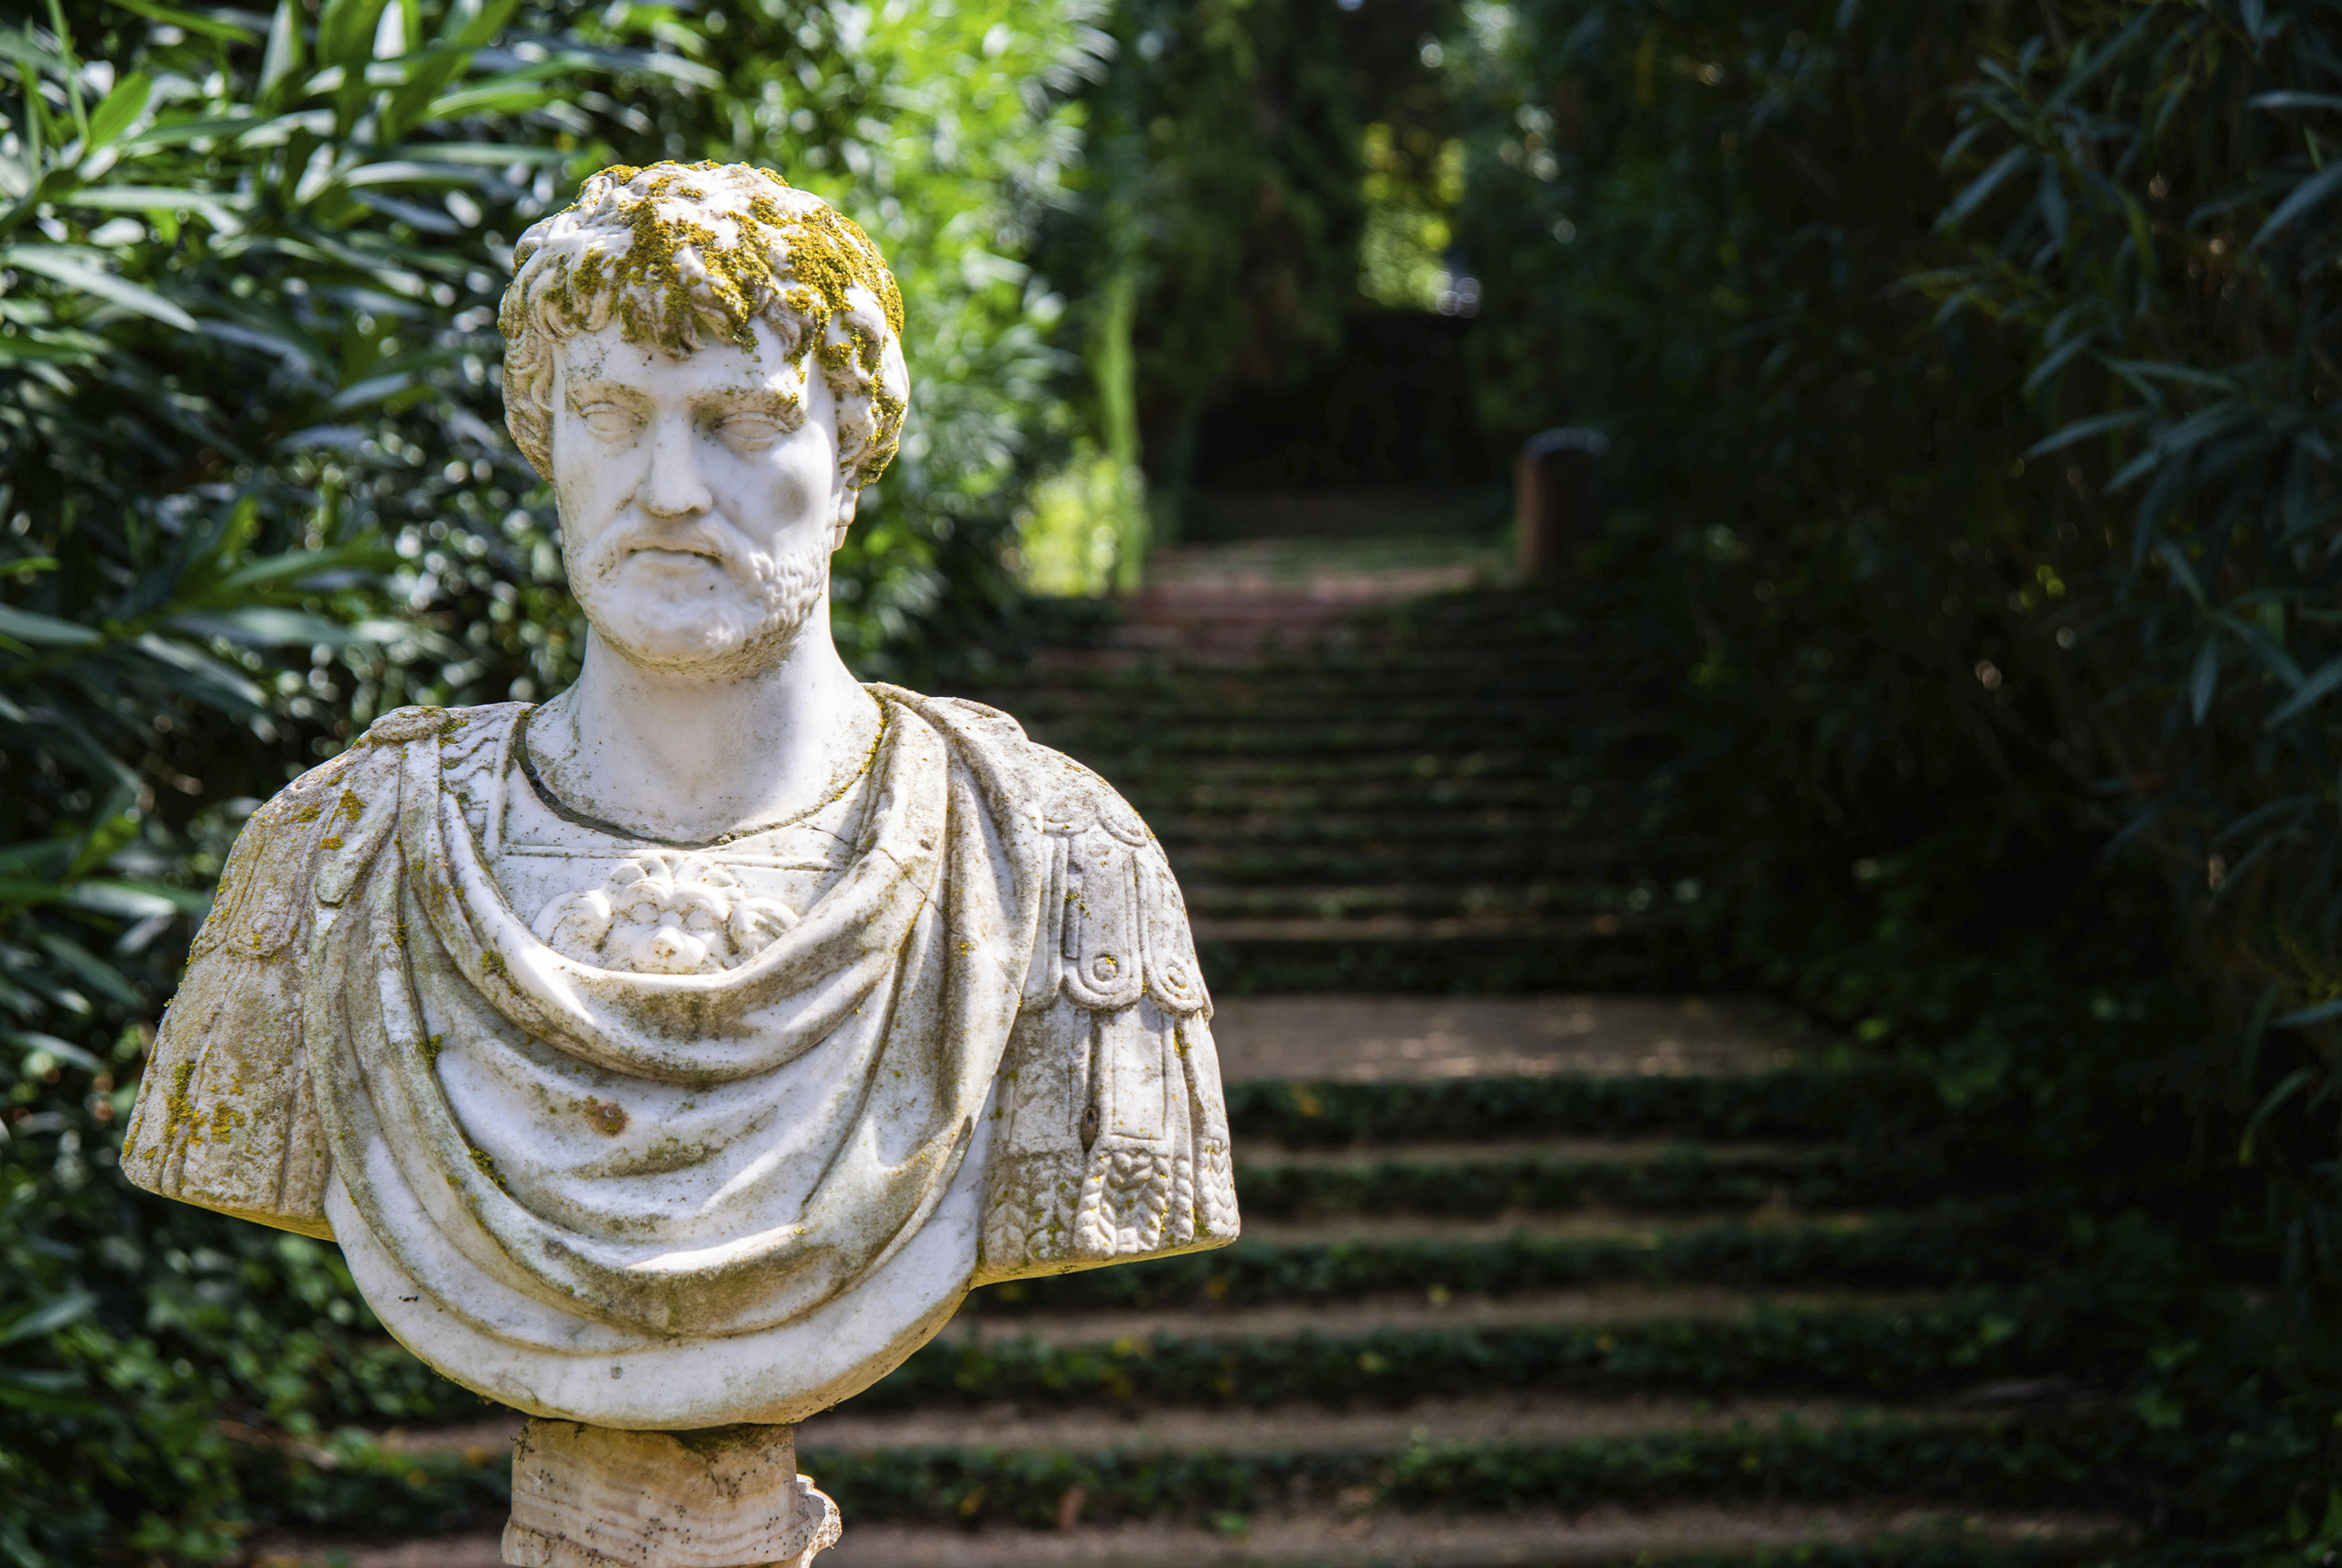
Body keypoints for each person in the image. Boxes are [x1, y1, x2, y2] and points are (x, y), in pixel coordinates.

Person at [122, 163, 1237, 1434]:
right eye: (609, 409)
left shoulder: (1055, 857)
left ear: (853, 459)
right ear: (547, 437)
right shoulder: (341, 850)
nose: (668, 489)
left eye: (741, 420)